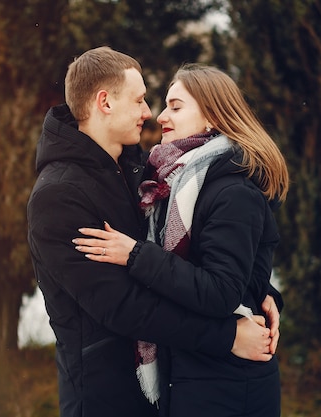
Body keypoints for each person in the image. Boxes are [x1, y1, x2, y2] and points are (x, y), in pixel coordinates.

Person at [27, 47, 281, 417]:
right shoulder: (59, 195)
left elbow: (203, 253)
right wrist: (227, 336)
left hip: (167, 386)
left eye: (167, 105)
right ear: (105, 102)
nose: (151, 114)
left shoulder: (143, 172)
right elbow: (122, 305)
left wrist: (257, 291)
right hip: (106, 396)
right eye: (141, 99)